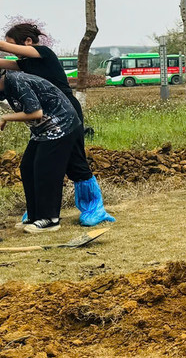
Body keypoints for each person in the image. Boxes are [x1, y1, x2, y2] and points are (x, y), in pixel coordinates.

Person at [0, 22, 113, 226]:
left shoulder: (43, 53)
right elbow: (2, 63)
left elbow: (3, 49)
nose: (11, 52)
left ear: (27, 42)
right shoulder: (25, 64)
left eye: (11, 45)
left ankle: (93, 208)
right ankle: (39, 209)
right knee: (37, 162)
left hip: (68, 111)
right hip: (47, 117)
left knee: (74, 161)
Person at [0, 68, 84, 232]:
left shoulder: (16, 81)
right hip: (43, 130)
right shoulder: (6, 86)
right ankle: (35, 216)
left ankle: (50, 219)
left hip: (62, 125)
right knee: (28, 167)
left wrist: (4, 118)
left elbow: (35, 113)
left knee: (45, 170)